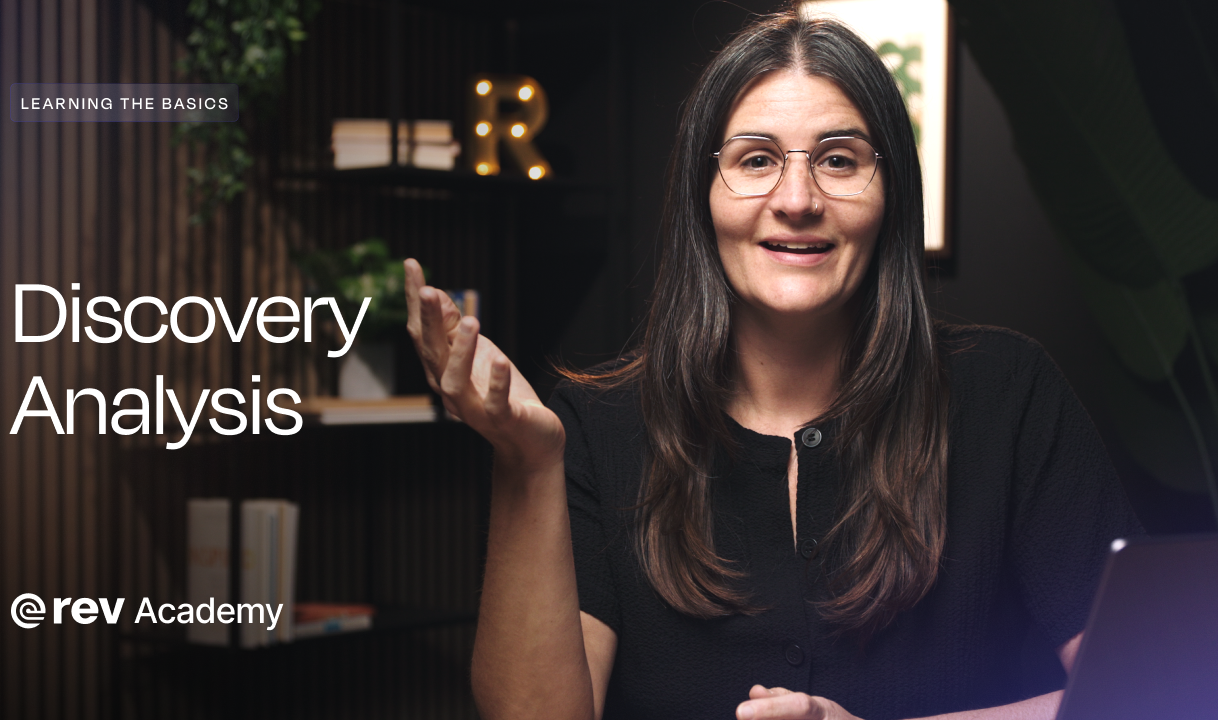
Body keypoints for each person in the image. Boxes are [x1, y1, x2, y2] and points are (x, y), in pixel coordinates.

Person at [403, 7, 1141, 720]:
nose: (797, 199)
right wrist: (526, 466)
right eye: (756, 160)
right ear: (704, 195)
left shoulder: (1008, 395)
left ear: (892, 196)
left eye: (839, 161)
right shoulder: (596, 430)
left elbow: (1148, 693)